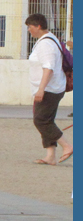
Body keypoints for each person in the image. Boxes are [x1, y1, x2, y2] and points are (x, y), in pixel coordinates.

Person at [26, 13, 72, 165]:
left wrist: (41, 89)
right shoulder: (49, 39)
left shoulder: (46, 44)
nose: (29, 30)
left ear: (38, 26)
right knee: (47, 120)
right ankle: (50, 155)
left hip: (50, 89)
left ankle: (67, 146)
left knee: (41, 120)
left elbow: (49, 68)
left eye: (30, 27)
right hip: (51, 87)